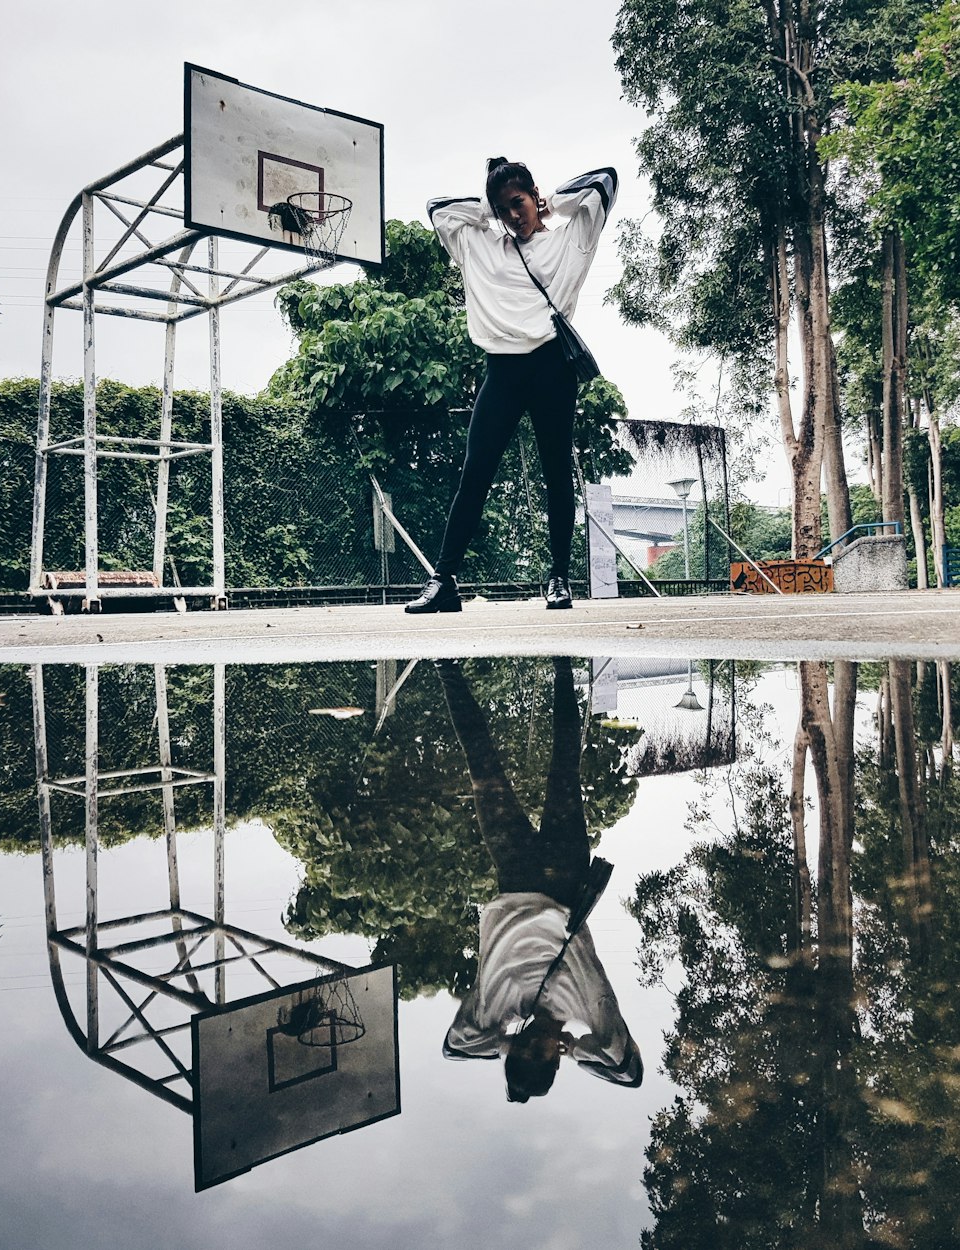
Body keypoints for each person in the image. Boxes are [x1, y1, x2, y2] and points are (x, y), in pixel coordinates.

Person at [404, 160, 618, 614]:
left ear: (533, 196)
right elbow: (438, 209)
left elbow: (605, 181)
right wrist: (488, 208)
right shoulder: (481, 244)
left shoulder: (569, 239)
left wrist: (552, 204)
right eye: (504, 209)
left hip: (551, 368)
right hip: (501, 370)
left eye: (518, 203)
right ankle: (443, 581)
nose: (512, 216)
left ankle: (559, 579)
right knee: (475, 471)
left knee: (557, 473)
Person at [436, 657, 642, 1101]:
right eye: (541, 1057)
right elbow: (629, 1071)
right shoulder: (588, 1009)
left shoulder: (496, 1010)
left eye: (521, 1054)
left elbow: (454, 1049)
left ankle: (445, 665)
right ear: (554, 1061)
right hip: (564, 879)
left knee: (482, 765)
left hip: (513, 876)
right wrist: (581, 1050)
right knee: (563, 766)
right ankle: (563, 659)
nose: (534, 1046)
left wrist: (500, 1045)